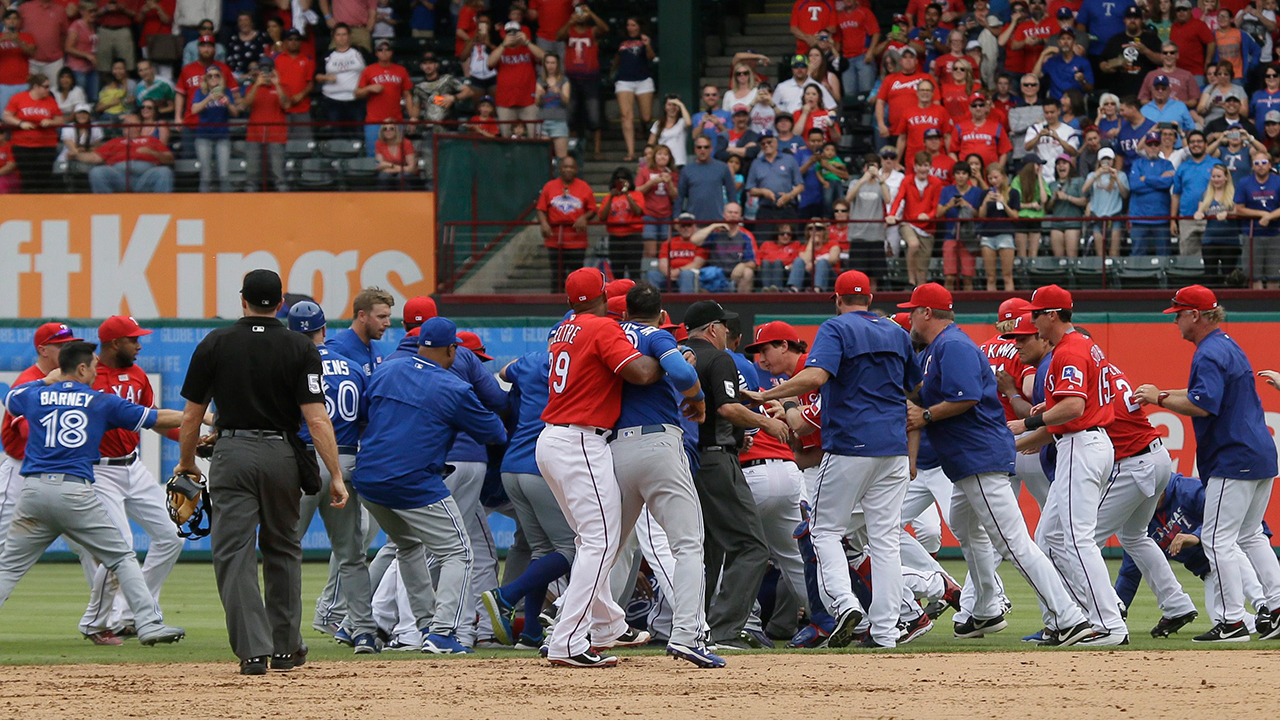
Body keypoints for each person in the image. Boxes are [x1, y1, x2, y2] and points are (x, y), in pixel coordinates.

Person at [174, 269, 347, 674]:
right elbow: (317, 419)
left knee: (233, 553)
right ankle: (286, 648)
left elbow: (190, 417)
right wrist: (335, 474)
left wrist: (187, 463)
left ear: (243, 300)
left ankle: (253, 651)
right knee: (283, 548)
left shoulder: (215, 342)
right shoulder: (298, 346)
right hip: (281, 452)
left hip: (231, 451)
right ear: (280, 303)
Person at [905, 287, 1094, 647]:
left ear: (927, 313)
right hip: (964, 460)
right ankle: (986, 608)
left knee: (1013, 543)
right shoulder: (936, 349)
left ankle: (1069, 618)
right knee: (964, 525)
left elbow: (966, 398)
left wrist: (926, 414)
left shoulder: (952, 345)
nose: (911, 318)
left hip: (979, 456)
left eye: (914, 311)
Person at [745, 271, 918, 648]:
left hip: (850, 444)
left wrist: (766, 396)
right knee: (885, 540)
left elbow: (816, 376)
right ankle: (887, 632)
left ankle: (845, 605)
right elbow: (913, 384)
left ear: (838, 300)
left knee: (821, 531)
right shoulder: (897, 332)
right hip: (892, 446)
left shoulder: (836, 328)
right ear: (869, 299)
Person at [0, 341, 186, 646]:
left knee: (8, 567)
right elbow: (155, 419)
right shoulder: (100, 401)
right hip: (74, 493)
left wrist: (48, 380)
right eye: (93, 366)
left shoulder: (35, 394)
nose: (97, 371)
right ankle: (149, 624)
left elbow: (11, 400)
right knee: (122, 557)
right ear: (83, 368)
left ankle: (124, 622)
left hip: (33, 492)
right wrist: (198, 416)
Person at [352, 316, 506, 655]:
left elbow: (363, 414)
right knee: (459, 552)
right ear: (452, 349)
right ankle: (442, 632)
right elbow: (495, 433)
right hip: (412, 482)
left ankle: (424, 625)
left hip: (368, 481)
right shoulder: (453, 387)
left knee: (407, 546)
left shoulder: (388, 370)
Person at [1135, 285, 1280, 641]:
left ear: (1195, 315)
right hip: (1258, 453)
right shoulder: (1225, 344)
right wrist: (1163, 395)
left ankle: (1232, 620)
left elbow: (1203, 405)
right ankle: (1277, 607)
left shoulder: (1208, 353)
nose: (1176, 322)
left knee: (1217, 540)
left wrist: (1161, 399)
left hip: (1234, 456)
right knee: (1249, 535)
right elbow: (1204, 394)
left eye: (1179, 314)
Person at [535, 267, 662, 666]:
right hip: (580, 440)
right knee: (601, 542)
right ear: (602, 294)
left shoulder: (562, 328)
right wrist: (670, 353)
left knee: (590, 540)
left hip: (555, 438)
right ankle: (567, 642)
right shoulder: (602, 327)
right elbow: (641, 373)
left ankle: (607, 624)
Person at [1007, 284, 1127, 645]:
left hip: (1082, 443)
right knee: (1049, 537)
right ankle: (1078, 617)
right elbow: (1073, 405)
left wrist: (1028, 422)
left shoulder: (1069, 350)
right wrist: (1043, 418)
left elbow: (1073, 409)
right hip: (1083, 441)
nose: (1032, 321)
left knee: (1077, 539)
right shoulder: (1082, 345)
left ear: (1053, 315)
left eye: (1036, 314)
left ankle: (1109, 623)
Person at [73, 316, 187, 643]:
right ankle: (96, 622)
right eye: (133, 340)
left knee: (171, 536)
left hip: (132, 467)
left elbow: (152, 420)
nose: (139, 345)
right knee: (118, 546)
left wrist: (190, 440)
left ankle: (130, 613)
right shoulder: (88, 376)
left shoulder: (137, 375)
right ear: (113, 344)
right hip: (98, 470)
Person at [282, 302, 378, 653]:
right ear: (324, 330)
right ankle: (364, 632)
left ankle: (283, 634)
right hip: (348, 463)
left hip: (304, 463)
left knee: (286, 551)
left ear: (292, 332)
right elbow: (369, 419)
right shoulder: (353, 366)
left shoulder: (290, 366)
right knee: (351, 555)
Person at [537, 156, 596, 292]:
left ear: (576, 169)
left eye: (571, 167)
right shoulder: (549, 186)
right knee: (557, 275)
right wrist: (544, 223)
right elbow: (541, 208)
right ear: (560, 169)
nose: (568, 170)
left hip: (577, 239)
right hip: (554, 238)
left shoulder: (584, 187)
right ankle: (555, 303)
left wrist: (584, 217)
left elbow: (592, 209)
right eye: (565, 167)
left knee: (577, 277)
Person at [888, 151, 945, 287]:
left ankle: (919, 290)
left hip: (928, 227)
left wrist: (929, 216)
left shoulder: (936, 182)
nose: (923, 169)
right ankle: (910, 279)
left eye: (926, 165)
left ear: (930, 166)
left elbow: (936, 205)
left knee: (923, 267)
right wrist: (892, 214)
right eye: (920, 165)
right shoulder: (907, 180)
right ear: (914, 166)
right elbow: (899, 198)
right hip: (908, 223)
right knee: (913, 244)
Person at [76, 114, 174, 192]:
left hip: (146, 176)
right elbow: (94, 157)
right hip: (119, 176)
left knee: (164, 171)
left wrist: (152, 153)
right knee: (97, 172)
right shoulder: (115, 141)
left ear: (139, 127)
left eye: (130, 124)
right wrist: (76, 154)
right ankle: (106, 208)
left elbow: (170, 159)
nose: (126, 126)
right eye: (125, 124)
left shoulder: (151, 140)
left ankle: (160, 208)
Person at [2, 74, 64, 193]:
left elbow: (60, 119)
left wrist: (50, 122)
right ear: (36, 86)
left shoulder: (50, 100)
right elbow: (7, 116)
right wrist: (20, 123)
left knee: (44, 179)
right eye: (45, 87)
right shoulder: (18, 98)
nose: (48, 89)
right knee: (27, 178)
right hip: (23, 145)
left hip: (46, 145)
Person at [559, 6, 606, 160]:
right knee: (571, 114)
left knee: (594, 114)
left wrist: (591, 13)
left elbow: (605, 29)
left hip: (590, 78)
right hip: (572, 78)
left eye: (582, 13)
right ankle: (571, 148)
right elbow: (558, 36)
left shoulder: (592, 31)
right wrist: (569, 21)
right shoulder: (569, 31)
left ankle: (597, 149)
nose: (580, 16)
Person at [355, 39, 412, 155]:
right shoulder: (368, 70)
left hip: (395, 121)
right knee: (373, 156)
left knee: (397, 156)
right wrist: (369, 88)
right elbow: (357, 93)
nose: (384, 52)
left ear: (392, 52)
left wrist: (412, 117)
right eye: (380, 49)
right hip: (374, 122)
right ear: (376, 53)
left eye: (387, 49)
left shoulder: (401, 70)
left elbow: (407, 95)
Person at [1171, 130, 1223, 256]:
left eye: (1199, 141)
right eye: (1192, 142)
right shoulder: (1183, 167)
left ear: (1206, 145)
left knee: (1211, 258)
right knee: (1188, 259)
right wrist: (1173, 220)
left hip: (1211, 218)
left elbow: (1225, 191)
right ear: (1188, 146)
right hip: (1187, 218)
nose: (1196, 144)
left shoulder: (1216, 164)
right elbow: (1176, 194)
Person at [690, 203, 758, 293]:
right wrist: (713, 226)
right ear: (724, 214)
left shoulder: (746, 236)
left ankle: (742, 305)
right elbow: (694, 240)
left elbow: (753, 262)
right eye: (730, 212)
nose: (733, 215)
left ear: (740, 216)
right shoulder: (716, 233)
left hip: (735, 275)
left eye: (736, 213)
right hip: (716, 274)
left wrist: (743, 265)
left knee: (748, 272)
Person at [937, 160, 984, 290]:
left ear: (969, 175)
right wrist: (949, 205)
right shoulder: (946, 191)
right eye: (958, 173)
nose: (961, 176)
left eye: (964, 173)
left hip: (969, 238)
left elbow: (980, 215)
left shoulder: (976, 192)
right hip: (950, 237)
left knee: (968, 277)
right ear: (954, 175)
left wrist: (966, 205)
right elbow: (938, 213)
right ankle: (945, 307)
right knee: (949, 277)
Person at [1128, 130, 1177, 255]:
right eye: (1150, 145)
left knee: (1164, 254)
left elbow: (1168, 183)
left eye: (1156, 145)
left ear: (1160, 146)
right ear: (1145, 147)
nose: (1153, 148)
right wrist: (1159, 180)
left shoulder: (1167, 164)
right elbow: (1134, 186)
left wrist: (1146, 179)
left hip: (1161, 218)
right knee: (1137, 254)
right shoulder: (1137, 163)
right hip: (1139, 218)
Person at [612, 17, 654, 161]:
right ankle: (631, 152)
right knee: (626, 116)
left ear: (639, 26)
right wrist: (613, 71)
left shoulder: (645, 40)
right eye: (628, 25)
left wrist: (648, 45)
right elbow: (617, 58)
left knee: (647, 117)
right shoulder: (621, 42)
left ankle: (642, 128)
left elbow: (651, 57)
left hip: (643, 80)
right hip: (624, 81)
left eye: (633, 25)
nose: (630, 27)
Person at [190, 63, 236, 192]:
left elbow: (235, 113)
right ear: (206, 79)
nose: (213, 78)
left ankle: (226, 205)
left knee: (224, 174)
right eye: (210, 76)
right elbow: (194, 110)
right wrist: (209, 98)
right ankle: (203, 206)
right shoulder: (200, 92)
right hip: (203, 136)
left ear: (220, 77)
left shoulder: (226, 92)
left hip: (222, 136)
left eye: (216, 75)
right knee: (205, 175)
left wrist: (227, 102)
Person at [1101, 6, 1164, 99]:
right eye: (1129, 18)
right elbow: (1102, 61)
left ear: (1142, 20)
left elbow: (1162, 60)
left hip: (1145, 95)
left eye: (1136, 18)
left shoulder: (1151, 39)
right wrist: (1107, 67)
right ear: (1124, 20)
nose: (1132, 21)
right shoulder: (1115, 39)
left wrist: (1146, 51)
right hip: (1119, 93)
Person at [315, 24, 365, 140]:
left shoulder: (359, 53)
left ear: (349, 36)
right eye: (338, 35)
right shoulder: (328, 55)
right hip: (333, 101)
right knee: (337, 135)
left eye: (344, 34)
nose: (341, 37)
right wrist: (327, 78)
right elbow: (317, 76)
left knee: (359, 134)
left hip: (355, 100)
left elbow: (371, 71)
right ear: (334, 37)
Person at [596, 166, 646, 280]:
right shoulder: (608, 197)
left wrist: (626, 193)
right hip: (615, 238)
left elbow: (638, 211)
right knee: (617, 273)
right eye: (618, 178)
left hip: (633, 237)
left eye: (624, 178)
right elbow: (602, 217)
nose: (621, 180)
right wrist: (611, 198)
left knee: (634, 272)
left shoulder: (637, 195)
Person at [977, 163, 1021, 290]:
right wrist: (985, 202)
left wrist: (1003, 203)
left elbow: (1015, 216)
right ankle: (989, 307)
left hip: (1005, 235)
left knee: (1007, 276)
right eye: (990, 178)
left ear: (1003, 176)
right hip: (987, 236)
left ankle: (1011, 307)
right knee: (990, 277)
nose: (993, 181)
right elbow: (981, 216)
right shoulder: (985, 193)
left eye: (996, 177)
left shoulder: (1013, 193)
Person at [1195, 164, 1241, 281]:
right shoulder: (1206, 194)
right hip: (1210, 240)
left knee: (1229, 274)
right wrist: (1198, 214)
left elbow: (1238, 210)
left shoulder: (1233, 193)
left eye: (1219, 176)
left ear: (1226, 177)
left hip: (1230, 241)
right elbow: (1199, 210)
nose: (1216, 179)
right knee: (1210, 275)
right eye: (1214, 176)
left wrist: (1228, 214)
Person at [893, 79, 952, 169]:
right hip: (913, 160)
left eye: (928, 90)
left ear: (932, 93)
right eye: (922, 90)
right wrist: (896, 161)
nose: (925, 93)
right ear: (917, 92)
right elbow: (902, 139)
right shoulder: (907, 112)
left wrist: (951, 158)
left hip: (937, 161)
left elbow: (947, 137)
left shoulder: (941, 111)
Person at [677, 136, 736, 221]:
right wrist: (676, 217)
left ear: (711, 149)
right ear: (695, 149)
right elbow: (680, 196)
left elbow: (731, 193)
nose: (702, 150)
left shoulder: (722, 167)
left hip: (717, 220)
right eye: (699, 147)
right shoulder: (686, 170)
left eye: (706, 147)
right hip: (693, 221)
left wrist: (733, 216)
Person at [649, 212, 707, 292]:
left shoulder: (700, 243)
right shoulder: (668, 243)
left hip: (690, 274)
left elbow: (697, 264)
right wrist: (669, 273)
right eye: (683, 225)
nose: (685, 228)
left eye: (689, 225)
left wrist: (679, 271)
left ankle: (686, 303)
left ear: (694, 227)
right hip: (669, 274)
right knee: (652, 274)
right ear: (678, 227)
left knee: (686, 274)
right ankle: (652, 302)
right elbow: (662, 262)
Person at [274, 29, 315, 141]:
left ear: (300, 42)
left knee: (304, 147)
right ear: (285, 42)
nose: (293, 42)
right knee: (282, 146)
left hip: (302, 109)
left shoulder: (307, 60)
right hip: (281, 110)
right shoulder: (277, 59)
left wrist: (300, 95)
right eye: (290, 39)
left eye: (296, 39)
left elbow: (310, 83)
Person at [952, 93, 1012, 169]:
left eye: (981, 105)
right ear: (969, 108)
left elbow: (1004, 152)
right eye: (974, 106)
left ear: (986, 107)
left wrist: (998, 170)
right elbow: (952, 151)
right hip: (967, 174)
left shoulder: (997, 127)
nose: (978, 108)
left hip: (989, 175)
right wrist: (960, 169)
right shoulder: (959, 127)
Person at [637, 144, 679, 249]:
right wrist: (651, 183)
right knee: (650, 251)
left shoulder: (673, 174)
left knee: (664, 250)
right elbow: (637, 191)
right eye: (659, 154)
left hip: (666, 215)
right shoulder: (645, 171)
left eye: (665, 154)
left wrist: (669, 183)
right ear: (654, 156)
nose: (662, 157)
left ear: (669, 158)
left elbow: (675, 196)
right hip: (649, 214)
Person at [17, 0, 70, 84]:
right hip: (30, 61)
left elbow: (64, 34)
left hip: (54, 62)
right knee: (30, 93)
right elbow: (16, 31)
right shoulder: (25, 8)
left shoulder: (60, 9)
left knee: (54, 93)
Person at [1044, 155, 1086, 256]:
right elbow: (1047, 208)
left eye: (1064, 163)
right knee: (1058, 259)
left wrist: (1067, 197)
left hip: (1073, 224)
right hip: (1056, 225)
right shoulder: (1052, 185)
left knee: (1072, 256)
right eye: (1058, 164)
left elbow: (1084, 201)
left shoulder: (1079, 181)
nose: (1061, 166)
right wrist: (1053, 199)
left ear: (1070, 166)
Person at [1036, 28, 1093, 99]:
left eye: (1069, 39)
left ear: (1074, 42)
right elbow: (1035, 76)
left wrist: (1083, 81)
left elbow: (1090, 90)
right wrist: (1043, 54)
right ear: (1059, 42)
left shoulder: (1083, 62)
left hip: (1075, 104)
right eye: (1063, 39)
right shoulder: (1052, 61)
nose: (1065, 42)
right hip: (1056, 104)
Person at [1170, 0, 1217, 81]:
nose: (1181, 12)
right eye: (1178, 10)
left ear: (1191, 11)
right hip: (1177, 72)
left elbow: (1211, 42)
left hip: (1196, 72)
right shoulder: (1174, 26)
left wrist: (1208, 62)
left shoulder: (1199, 24)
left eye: (1184, 9)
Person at [533, 53, 569, 158]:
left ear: (558, 64)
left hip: (559, 121)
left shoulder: (564, 80)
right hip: (543, 121)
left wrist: (559, 92)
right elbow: (537, 104)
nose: (550, 65)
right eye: (548, 62)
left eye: (553, 63)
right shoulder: (540, 80)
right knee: (543, 157)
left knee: (561, 156)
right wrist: (539, 95)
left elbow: (566, 102)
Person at [0, 10, 36, 112]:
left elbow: (32, 52)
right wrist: (2, 39)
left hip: (23, 82)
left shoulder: (27, 36)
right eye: (9, 18)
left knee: (22, 113)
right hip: (3, 82)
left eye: (15, 18)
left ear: (19, 21)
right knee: (4, 115)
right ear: (4, 21)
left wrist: (18, 42)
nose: (12, 21)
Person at [64, 3, 98, 103]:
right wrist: (86, 55)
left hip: (92, 67)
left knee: (93, 98)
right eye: (90, 11)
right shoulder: (76, 26)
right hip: (78, 69)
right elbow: (68, 47)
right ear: (82, 12)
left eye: (94, 11)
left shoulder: (92, 25)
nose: (93, 14)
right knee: (80, 99)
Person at [649, 94, 691, 168]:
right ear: (665, 107)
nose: (672, 108)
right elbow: (650, 143)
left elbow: (689, 123)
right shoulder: (658, 124)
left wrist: (681, 105)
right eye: (669, 105)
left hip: (679, 162)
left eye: (675, 105)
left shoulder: (682, 122)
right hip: (662, 163)